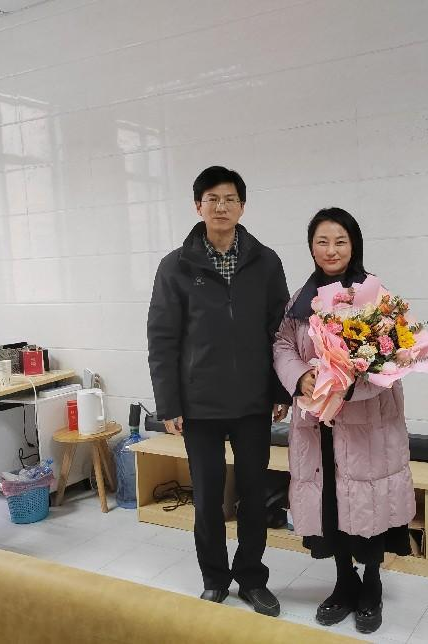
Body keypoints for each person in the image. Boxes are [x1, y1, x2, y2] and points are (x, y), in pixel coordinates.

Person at [147, 166, 291, 616]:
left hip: (253, 402)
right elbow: (162, 338)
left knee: (254, 494)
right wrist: (169, 403)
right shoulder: (175, 266)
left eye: (230, 199)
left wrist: (281, 390)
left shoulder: (266, 262)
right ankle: (214, 579)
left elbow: (281, 331)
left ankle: (251, 578)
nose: (221, 206)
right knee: (208, 499)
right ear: (198, 206)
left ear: (242, 206)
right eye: (212, 199)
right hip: (200, 405)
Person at [273, 208, 416, 634]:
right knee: (331, 504)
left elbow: (396, 357)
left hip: (368, 425)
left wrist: (350, 386)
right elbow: (282, 344)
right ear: (311, 247)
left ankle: (370, 584)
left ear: (354, 245)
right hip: (319, 424)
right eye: (322, 242)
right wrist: (302, 376)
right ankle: (343, 582)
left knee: (368, 504)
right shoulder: (300, 299)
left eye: (340, 241)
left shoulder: (375, 296)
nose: (331, 250)